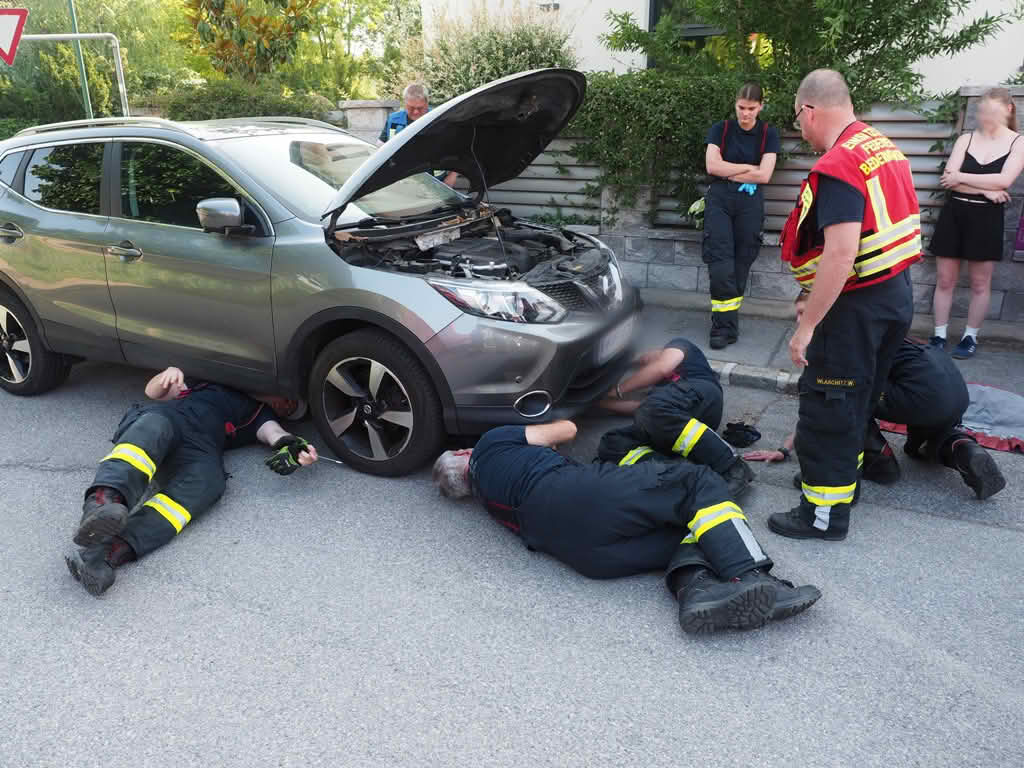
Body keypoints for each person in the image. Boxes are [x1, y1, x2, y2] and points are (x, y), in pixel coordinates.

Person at [432, 421, 821, 635]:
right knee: (697, 483)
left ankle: (695, 590)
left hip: (583, 556)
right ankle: (751, 574)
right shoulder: (489, 444)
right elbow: (565, 429)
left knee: (700, 528)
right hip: (574, 495)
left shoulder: (487, 500)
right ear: (464, 454)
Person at [772, 69, 920, 542]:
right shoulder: (881, 146)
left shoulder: (838, 165)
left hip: (854, 305)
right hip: (894, 296)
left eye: (798, 119)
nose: (800, 130)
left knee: (829, 406)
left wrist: (806, 326)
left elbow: (840, 252)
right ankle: (842, 483)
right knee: (856, 400)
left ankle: (822, 513)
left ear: (809, 110)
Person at [65, 367, 319, 596]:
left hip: (201, 448)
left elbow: (275, 434)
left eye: (291, 409)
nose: (285, 405)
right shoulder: (210, 382)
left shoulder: (260, 415)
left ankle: (107, 554)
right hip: (168, 420)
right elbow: (155, 392)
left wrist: (295, 447)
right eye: (288, 399)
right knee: (152, 427)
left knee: (210, 481)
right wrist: (167, 374)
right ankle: (102, 502)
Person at [745, 292, 1006, 501]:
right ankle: (964, 448)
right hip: (954, 391)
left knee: (844, 398)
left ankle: (879, 460)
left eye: (804, 312)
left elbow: (816, 409)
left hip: (921, 394)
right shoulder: (867, 326)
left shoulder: (838, 342)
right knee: (917, 449)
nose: (800, 321)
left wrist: (784, 449)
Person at [931, 87, 1024, 359]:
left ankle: (970, 337)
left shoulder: (1018, 143)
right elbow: (949, 180)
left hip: (986, 218)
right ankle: (938, 336)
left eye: (992, 111)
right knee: (945, 279)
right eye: (982, 111)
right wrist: (987, 189)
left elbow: (1004, 182)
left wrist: (964, 178)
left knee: (980, 284)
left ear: (1008, 110)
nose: (985, 116)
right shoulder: (966, 139)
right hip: (954, 214)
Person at [596, 337, 755, 496]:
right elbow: (641, 409)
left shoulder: (679, 345)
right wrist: (598, 403)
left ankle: (733, 466)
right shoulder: (658, 398)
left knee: (652, 409)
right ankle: (679, 474)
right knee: (613, 442)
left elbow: (662, 368)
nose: (643, 365)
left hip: (703, 395)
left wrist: (618, 390)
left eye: (645, 361)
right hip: (672, 419)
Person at [703, 82, 781, 349]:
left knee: (740, 264)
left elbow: (765, 175)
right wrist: (748, 167)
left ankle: (728, 325)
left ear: (760, 107)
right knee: (720, 262)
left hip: (750, 202)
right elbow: (712, 166)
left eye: (751, 109)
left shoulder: (769, 133)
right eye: (741, 108)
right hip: (720, 199)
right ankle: (721, 328)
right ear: (734, 104)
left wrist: (729, 170)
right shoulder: (720, 129)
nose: (745, 114)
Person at [379, 82, 457, 186]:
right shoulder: (393, 119)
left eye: (420, 108)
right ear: (404, 103)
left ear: (427, 103)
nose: (415, 112)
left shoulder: (440, 120)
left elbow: (457, 151)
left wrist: (452, 176)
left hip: (436, 183)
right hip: (401, 181)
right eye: (411, 108)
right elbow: (380, 145)